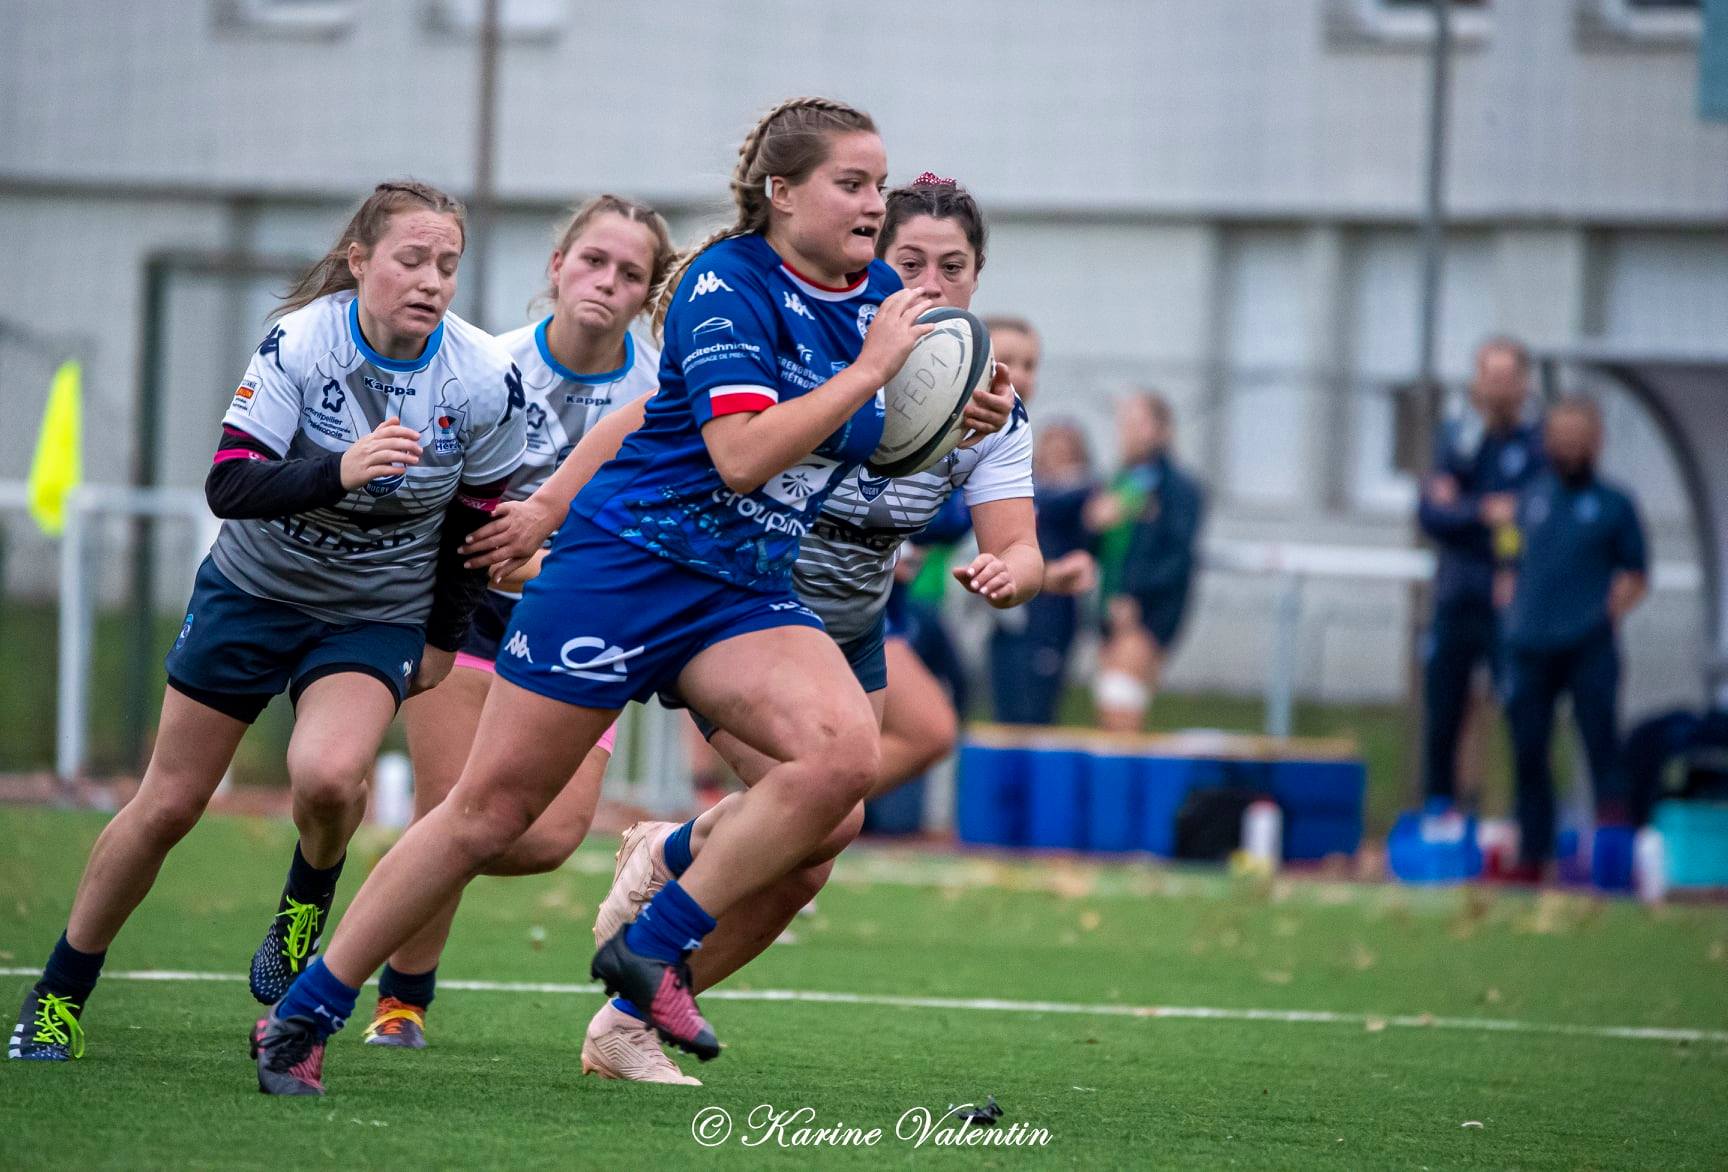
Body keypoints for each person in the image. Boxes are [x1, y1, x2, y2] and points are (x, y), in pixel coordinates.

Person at [253, 97, 938, 1096]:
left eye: (880, 183)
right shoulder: (723, 282)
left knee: (841, 769)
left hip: (738, 590)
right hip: (621, 567)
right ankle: (308, 1009)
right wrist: (878, 368)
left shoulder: (877, 296)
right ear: (781, 193)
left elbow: (874, 433)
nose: (876, 202)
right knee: (490, 814)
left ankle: (649, 947)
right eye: (852, 182)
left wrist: (958, 411)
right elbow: (742, 453)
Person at [10, 180, 525, 1062]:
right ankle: (58, 993)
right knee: (168, 803)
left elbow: (477, 522)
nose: (432, 279)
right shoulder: (303, 340)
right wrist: (340, 470)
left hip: (374, 611)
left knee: (328, 779)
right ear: (361, 260)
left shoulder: (481, 379)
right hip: (252, 592)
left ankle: (305, 899)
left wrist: (443, 636)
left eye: (448, 263)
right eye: (411, 258)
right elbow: (230, 485)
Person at [572, 174, 1055, 1083]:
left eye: (954, 267)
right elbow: (649, 424)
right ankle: (645, 948)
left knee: (808, 858)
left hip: (852, 629)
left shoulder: (991, 412)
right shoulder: (823, 348)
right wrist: (549, 507)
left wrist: (1008, 576)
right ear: (870, 258)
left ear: (978, 279)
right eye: (909, 261)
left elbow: (1023, 548)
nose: (932, 284)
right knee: (829, 810)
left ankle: (640, 965)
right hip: (738, 606)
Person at [360, 195, 673, 1051]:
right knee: (454, 802)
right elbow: (432, 498)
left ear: (649, 295)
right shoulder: (486, 364)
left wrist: (545, 558)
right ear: (558, 266)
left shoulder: (659, 391)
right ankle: (400, 1000)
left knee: (543, 840)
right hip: (466, 608)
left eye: (630, 273)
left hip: (584, 623)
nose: (606, 281)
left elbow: (643, 526)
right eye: (593, 261)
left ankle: (395, 874)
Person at [1499, 396, 1647, 877]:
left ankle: (1611, 861)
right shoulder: (1532, 498)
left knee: (1601, 747)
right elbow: (1509, 554)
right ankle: (1533, 856)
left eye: (1578, 436)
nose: (1568, 445)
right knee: (1528, 751)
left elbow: (1636, 573)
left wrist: (1606, 612)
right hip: (1530, 645)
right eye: (1560, 436)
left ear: (1597, 441)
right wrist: (1510, 599)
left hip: (1588, 647)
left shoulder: (1614, 504)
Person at [1417, 337, 1545, 813]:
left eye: (1506, 376)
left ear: (1522, 382)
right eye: (1487, 374)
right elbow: (1432, 516)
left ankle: (1526, 830)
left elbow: (1531, 517)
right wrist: (1483, 513)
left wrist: (1475, 515)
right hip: (1456, 595)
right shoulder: (1456, 438)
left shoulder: (1537, 445)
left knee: (1523, 716)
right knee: (1444, 715)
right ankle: (1440, 816)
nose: (1496, 386)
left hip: (1510, 600)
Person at [1086, 392, 1203, 732]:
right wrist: (1094, 523)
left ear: (1162, 429)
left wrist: (1136, 596)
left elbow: (1177, 555)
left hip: (1146, 613)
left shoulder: (1177, 487)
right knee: (1109, 709)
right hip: (1109, 609)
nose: (1126, 432)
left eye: (1137, 423)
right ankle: (1117, 782)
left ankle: (1127, 784)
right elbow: (1099, 545)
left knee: (1121, 707)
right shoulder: (1118, 481)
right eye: (1123, 423)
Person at [991, 415, 1099, 724]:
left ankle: (1033, 771)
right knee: (1005, 705)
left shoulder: (1082, 493)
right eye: (1050, 448)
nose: (1054, 457)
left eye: (1064, 451)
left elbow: (1073, 505)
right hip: (1011, 614)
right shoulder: (1024, 488)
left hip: (1051, 615)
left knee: (1035, 709)